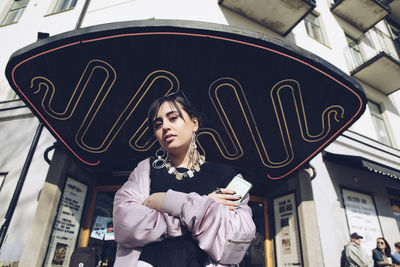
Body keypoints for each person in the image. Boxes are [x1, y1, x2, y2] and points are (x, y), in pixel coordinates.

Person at [113, 91, 256, 266]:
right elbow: (124, 224)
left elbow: (234, 241)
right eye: (158, 124)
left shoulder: (226, 176)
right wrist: (203, 209)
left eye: (173, 118)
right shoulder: (146, 170)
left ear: (194, 123)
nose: (165, 126)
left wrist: (168, 201)